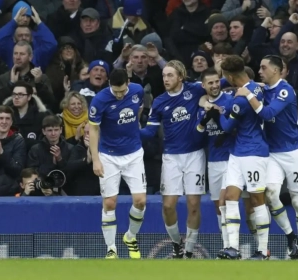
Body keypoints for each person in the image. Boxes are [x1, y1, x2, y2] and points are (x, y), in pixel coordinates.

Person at [235, 55, 298, 260]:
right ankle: (290, 235)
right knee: (270, 193)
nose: (260, 71)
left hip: (294, 151)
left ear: (277, 70)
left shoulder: (285, 90)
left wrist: (249, 94)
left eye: (263, 67)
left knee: (297, 200)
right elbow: (241, 81)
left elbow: (267, 114)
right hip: (272, 152)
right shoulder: (263, 89)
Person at [140, 60, 207, 259]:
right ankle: (177, 244)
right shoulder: (159, 101)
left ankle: (189, 251)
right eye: (164, 76)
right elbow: (151, 131)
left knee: (193, 204)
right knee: (168, 205)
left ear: (180, 76)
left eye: (170, 75)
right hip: (171, 157)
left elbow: (215, 85)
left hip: (195, 154)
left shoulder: (194, 90)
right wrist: (132, 131)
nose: (166, 79)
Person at [88, 68, 146, 259]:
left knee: (140, 201)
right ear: (109, 85)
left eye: (122, 91)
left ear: (128, 83)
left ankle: (130, 237)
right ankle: (111, 248)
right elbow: (94, 129)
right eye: (116, 91)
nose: (120, 95)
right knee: (110, 203)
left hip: (134, 153)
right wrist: (96, 159)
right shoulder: (99, 101)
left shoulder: (138, 90)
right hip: (109, 156)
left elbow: (139, 111)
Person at [218, 55, 270, 260]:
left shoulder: (240, 100)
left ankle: (262, 250)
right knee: (231, 197)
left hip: (253, 153)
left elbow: (226, 127)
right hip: (238, 153)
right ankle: (233, 248)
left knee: (257, 199)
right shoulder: (255, 87)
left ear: (231, 76)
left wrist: (219, 110)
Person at [196, 67, 235, 258]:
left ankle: (230, 246)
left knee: (224, 201)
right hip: (213, 160)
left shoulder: (229, 100)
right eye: (210, 83)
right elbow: (199, 132)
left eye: (216, 81)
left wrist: (221, 116)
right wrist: (205, 117)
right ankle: (226, 244)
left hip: (231, 158)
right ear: (203, 85)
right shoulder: (201, 106)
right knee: (217, 206)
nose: (214, 85)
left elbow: (237, 123)